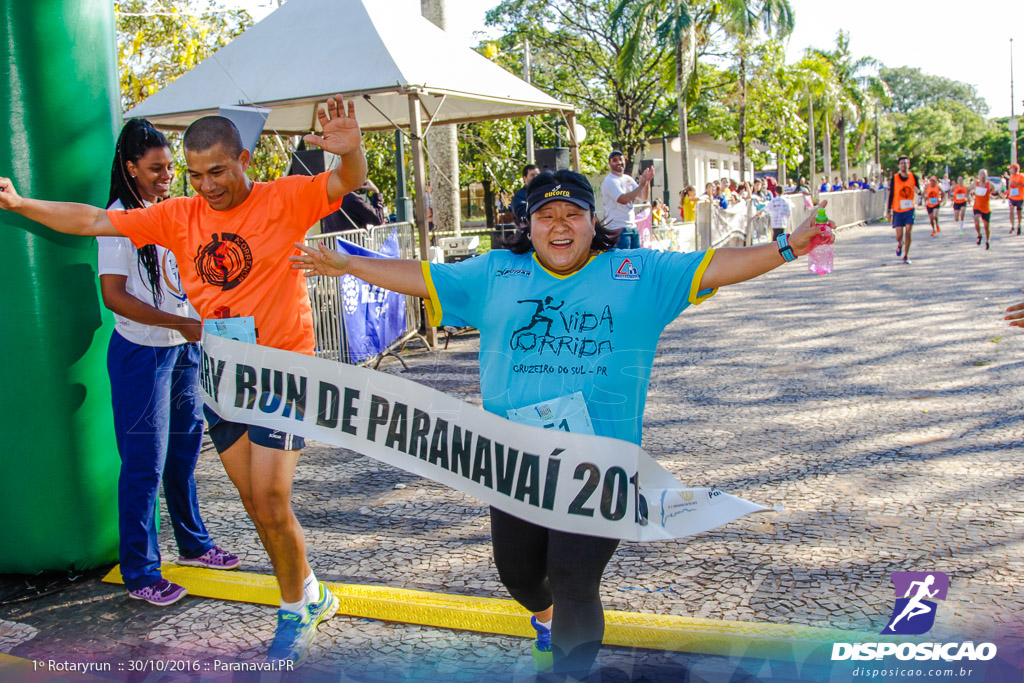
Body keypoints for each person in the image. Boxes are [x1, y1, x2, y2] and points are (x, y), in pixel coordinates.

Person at [289, 168, 835, 681]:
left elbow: (717, 266)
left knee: (576, 580)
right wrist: (351, 264)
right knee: (520, 576)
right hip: (514, 462)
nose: (558, 225)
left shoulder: (638, 273)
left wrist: (791, 245)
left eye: (571, 214)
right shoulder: (495, 273)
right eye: (545, 215)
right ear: (527, 226)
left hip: (600, 465)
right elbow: (424, 275)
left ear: (592, 222)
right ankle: (545, 621)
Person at [0, 95, 366, 665]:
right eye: (195, 175)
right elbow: (95, 220)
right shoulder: (178, 215)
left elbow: (346, 179)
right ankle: (313, 591)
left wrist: (352, 150)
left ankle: (295, 607)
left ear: (244, 159)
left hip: (284, 372)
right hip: (222, 374)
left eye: (217, 171)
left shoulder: (284, 198)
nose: (206, 186)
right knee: (254, 502)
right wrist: (20, 203)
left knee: (271, 497)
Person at [100, 119, 239, 608]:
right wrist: (176, 323)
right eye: (155, 168)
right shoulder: (118, 219)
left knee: (182, 456)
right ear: (131, 167)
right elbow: (113, 295)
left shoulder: (172, 212)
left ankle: (194, 545)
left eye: (168, 168)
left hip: (183, 348)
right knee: (144, 465)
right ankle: (140, 572)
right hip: (142, 354)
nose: (165, 176)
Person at [601, 151, 653, 249]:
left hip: (632, 227)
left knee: (635, 261)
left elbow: (643, 197)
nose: (618, 162)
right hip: (618, 229)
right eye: (614, 160)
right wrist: (641, 185)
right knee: (623, 262)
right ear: (609, 163)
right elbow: (623, 199)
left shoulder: (627, 179)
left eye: (620, 159)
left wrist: (647, 182)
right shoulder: (610, 181)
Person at [886, 155, 919, 264]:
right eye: (901, 163)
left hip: (909, 208)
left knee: (908, 232)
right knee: (899, 235)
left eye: (905, 163)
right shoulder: (895, 178)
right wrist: (888, 211)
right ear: (899, 166)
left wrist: (918, 191)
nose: (903, 165)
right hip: (898, 210)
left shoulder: (914, 177)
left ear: (908, 164)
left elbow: (919, 190)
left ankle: (906, 255)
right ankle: (900, 244)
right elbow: (891, 195)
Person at [971, 168, 995, 250]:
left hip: (986, 208)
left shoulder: (990, 185)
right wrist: (968, 196)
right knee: (976, 220)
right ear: (978, 176)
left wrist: (996, 194)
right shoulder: (975, 184)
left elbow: (995, 193)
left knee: (986, 227)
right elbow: (968, 190)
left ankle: (987, 241)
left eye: (984, 174)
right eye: (981, 174)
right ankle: (979, 234)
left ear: (987, 175)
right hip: (977, 207)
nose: (982, 176)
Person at [1006, 163, 1024, 235]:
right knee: (1011, 210)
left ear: (1015, 169)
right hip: (1012, 196)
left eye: (1011, 169)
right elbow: (1011, 186)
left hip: (1019, 197)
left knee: (1019, 212)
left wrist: (1017, 184)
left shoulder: (1021, 176)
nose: (1010, 170)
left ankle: (1019, 225)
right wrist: (1007, 192)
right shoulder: (1011, 176)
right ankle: (1012, 226)